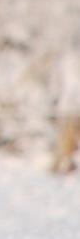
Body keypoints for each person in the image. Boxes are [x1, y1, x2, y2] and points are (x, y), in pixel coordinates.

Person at [51, 35, 80, 174]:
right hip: (70, 107)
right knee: (67, 141)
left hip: (67, 106)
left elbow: (57, 84)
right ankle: (60, 167)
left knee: (66, 141)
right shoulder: (68, 60)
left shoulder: (65, 60)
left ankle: (62, 165)